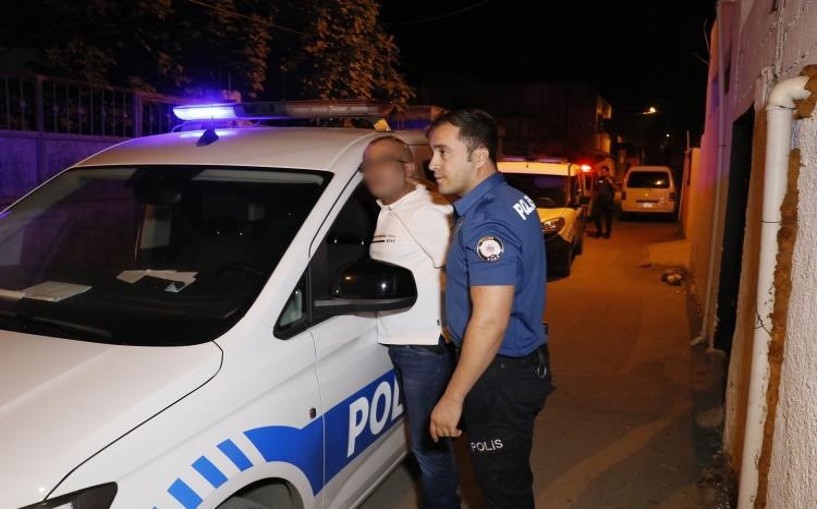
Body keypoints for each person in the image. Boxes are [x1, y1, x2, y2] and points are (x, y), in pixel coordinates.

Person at [427, 109, 553, 509]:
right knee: (507, 480)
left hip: (498, 373)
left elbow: (490, 320)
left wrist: (453, 397)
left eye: (443, 152)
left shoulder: (486, 221)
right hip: (516, 362)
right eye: (432, 153)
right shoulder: (511, 199)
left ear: (479, 155)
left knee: (502, 491)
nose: (432, 164)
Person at [360, 135, 461, 509]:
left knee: (427, 445)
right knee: (421, 439)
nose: (372, 171)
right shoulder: (388, 209)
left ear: (406, 167)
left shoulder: (428, 210)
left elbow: (459, 272)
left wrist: (451, 328)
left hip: (422, 346)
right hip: (398, 341)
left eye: (382, 162)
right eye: (367, 164)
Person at [594, 165, 618, 239]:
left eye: (604, 172)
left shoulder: (612, 179)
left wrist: (611, 183)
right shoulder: (599, 179)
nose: (602, 173)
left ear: (607, 172)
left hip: (608, 201)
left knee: (608, 219)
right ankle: (599, 232)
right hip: (600, 201)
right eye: (601, 172)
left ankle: (607, 234)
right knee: (597, 217)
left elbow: (617, 188)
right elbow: (596, 187)